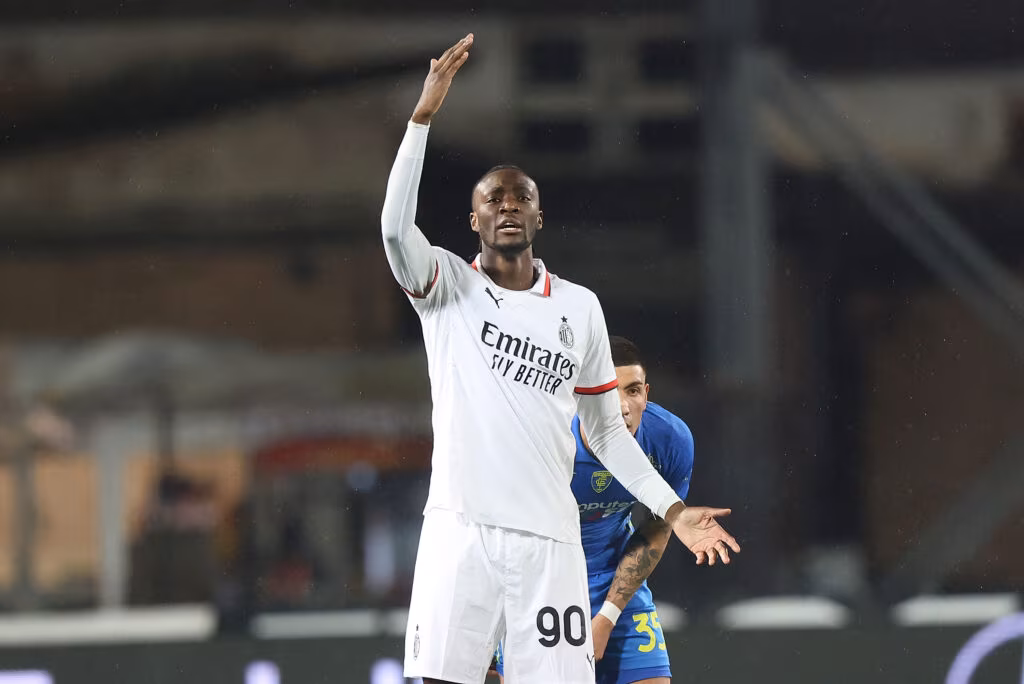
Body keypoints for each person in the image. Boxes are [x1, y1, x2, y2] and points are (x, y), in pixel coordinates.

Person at [381, 33, 740, 684]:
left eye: (520, 197)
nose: (507, 205)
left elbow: (607, 433)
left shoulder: (579, 307)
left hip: (550, 543)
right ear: (473, 220)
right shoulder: (446, 289)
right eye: (493, 198)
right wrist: (422, 119)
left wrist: (675, 512)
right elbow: (392, 230)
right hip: (460, 530)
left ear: (540, 218)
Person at [494, 336, 697, 684]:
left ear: (646, 393)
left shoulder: (669, 439)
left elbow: (656, 529)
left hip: (614, 582)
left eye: (633, 391)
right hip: (539, 584)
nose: (623, 407)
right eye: (608, 393)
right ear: (581, 396)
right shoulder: (544, 439)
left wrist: (607, 616)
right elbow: (501, 529)